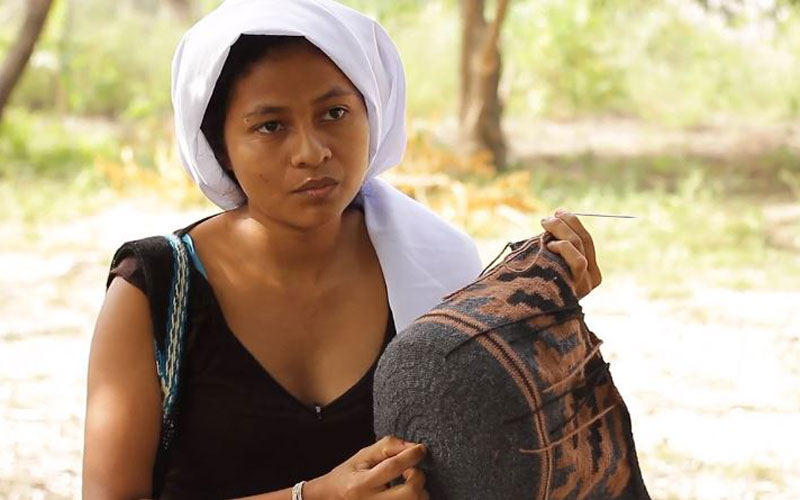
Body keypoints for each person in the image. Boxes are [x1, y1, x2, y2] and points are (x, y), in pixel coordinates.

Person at [82, 1, 601, 499]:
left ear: (373, 116)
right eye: (270, 125)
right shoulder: (153, 292)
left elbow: (507, 460)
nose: (311, 151)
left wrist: (542, 319)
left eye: (334, 112)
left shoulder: (440, 272)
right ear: (220, 146)